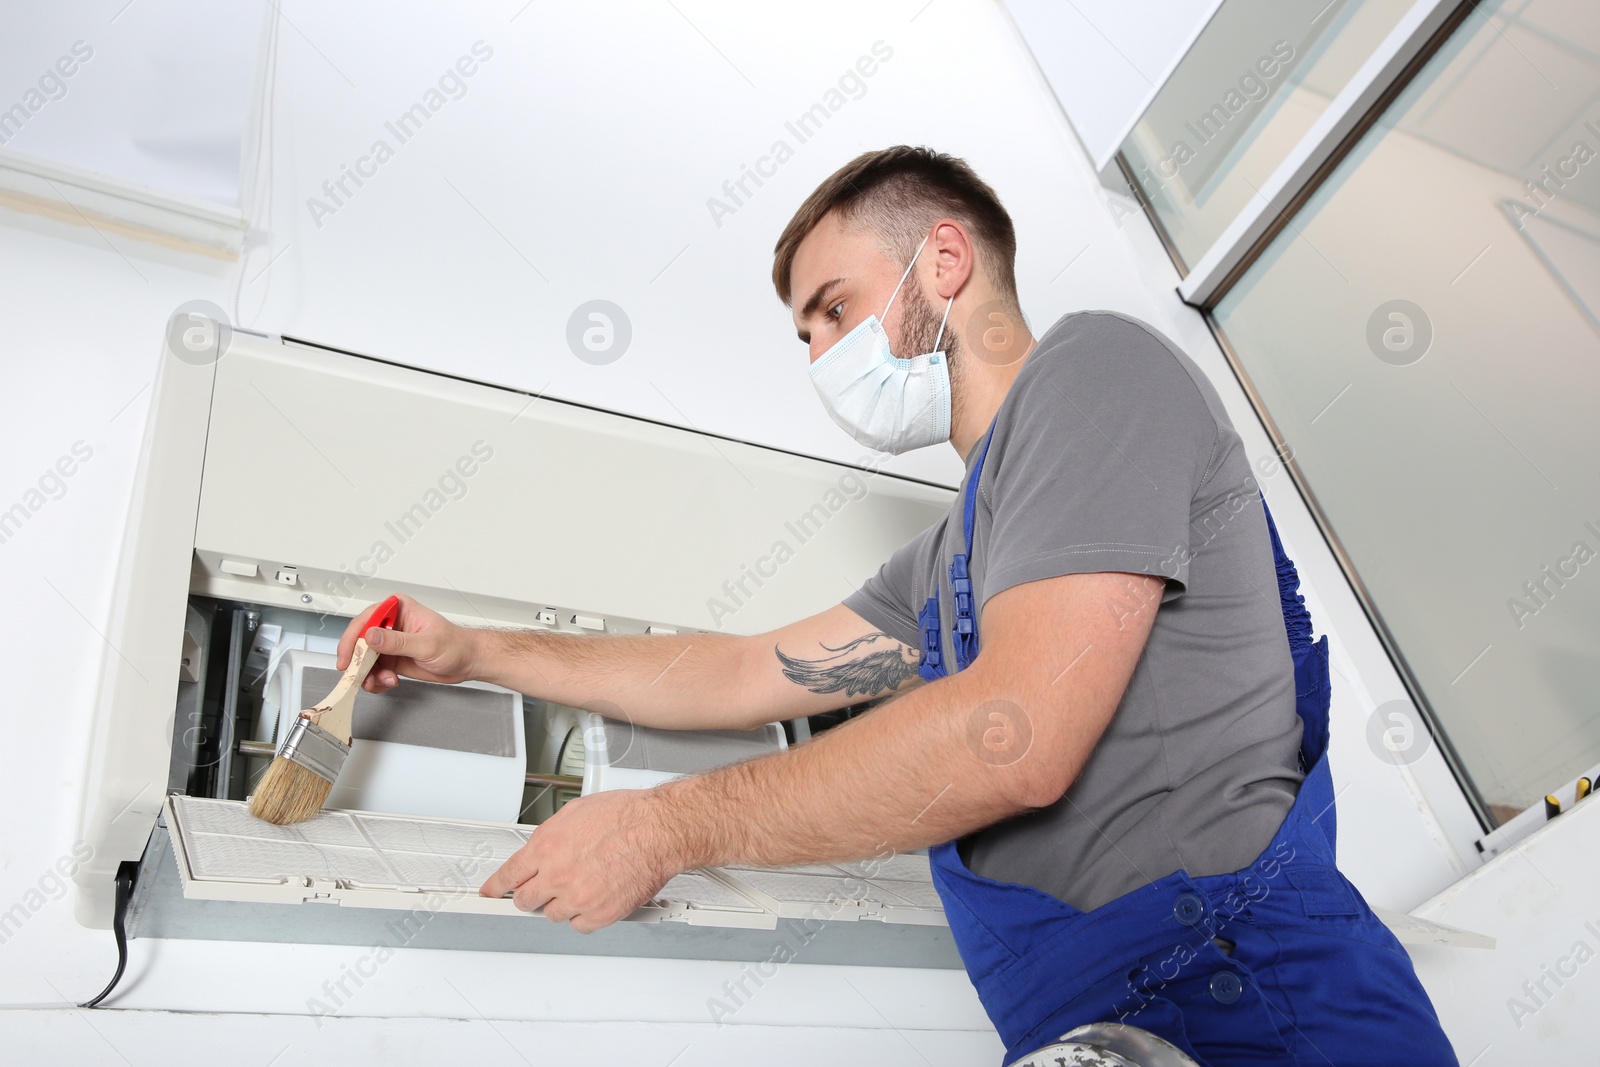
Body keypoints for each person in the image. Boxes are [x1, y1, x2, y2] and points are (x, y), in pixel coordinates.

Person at [336, 146, 1457, 1065]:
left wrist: (666, 825)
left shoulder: (1096, 375)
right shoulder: (953, 562)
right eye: (806, 338)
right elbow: (739, 673)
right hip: (1098, 1022)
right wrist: (476, 649)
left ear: (946, 259)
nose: (821, 354)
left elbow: (1014, 733)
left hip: (1252, 1006)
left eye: (833, 308)